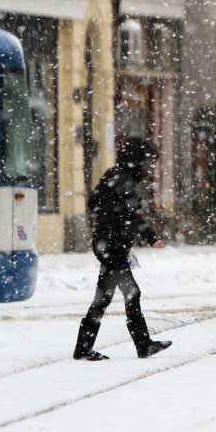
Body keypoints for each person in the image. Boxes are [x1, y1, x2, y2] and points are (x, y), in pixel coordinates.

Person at [73, 137, 171, 361]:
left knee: (105, 299)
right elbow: (129, 214)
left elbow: (94, 202)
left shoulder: (112, 175)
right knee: (130, 294)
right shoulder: (124, 180)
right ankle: (142, 344)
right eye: (147, 163)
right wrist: (151, 236)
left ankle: (84, 348)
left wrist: (108, 214)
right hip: (113, 246)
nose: (148, 168)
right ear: (137, 161)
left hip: (107, 244)